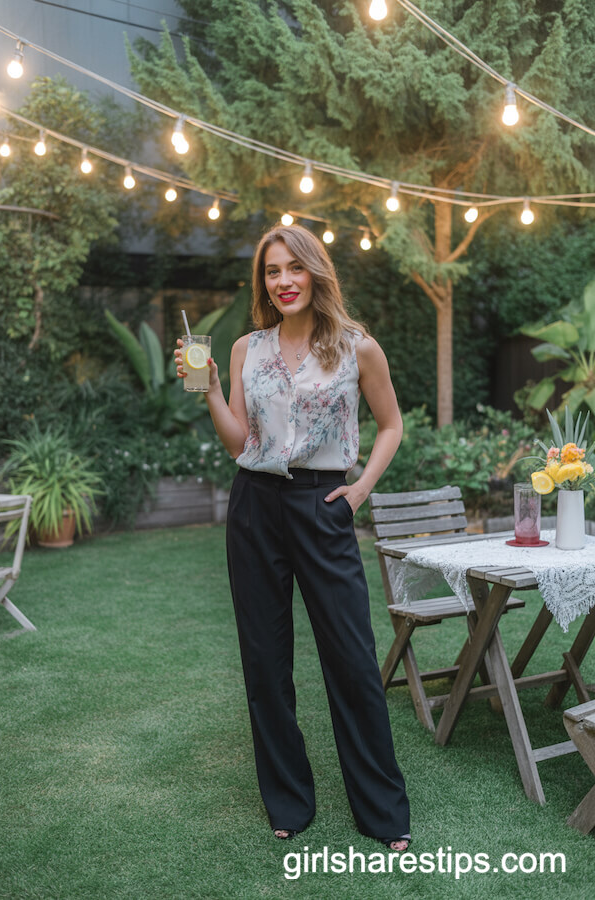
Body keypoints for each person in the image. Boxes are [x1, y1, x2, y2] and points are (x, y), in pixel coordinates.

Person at [175, 224, 410, 851]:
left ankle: (382, 811)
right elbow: (238, 441)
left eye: (293, 269)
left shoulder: (357, 347)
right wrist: (212, 389)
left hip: (323, 503)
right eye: (272, 272)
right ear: (264, 282)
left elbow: (392, 426)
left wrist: (358, 491)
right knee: (265, 663)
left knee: (354, 660)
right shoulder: (247, 349)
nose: (283, 281)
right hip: (255, 507)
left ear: (316, 272)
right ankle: (288, 800)